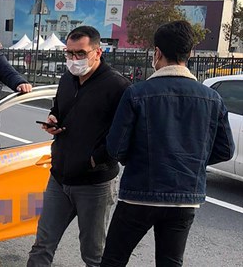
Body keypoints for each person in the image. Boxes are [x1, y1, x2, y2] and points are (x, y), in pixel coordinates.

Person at [101, 21, 235, 267]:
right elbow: (225, 150)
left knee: (113, 260)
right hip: (185, 197)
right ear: (190, 54)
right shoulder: (212, 98)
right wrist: (192, 159)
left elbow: (115, 148)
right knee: (171, 262)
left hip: (139, 195)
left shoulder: (137, 93)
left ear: (157, 53)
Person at [26, 26, 131, 267]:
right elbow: (59, 110)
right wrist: (53, 120)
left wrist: (96, 159)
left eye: (80, 53)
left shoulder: (118, 87)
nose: (74, 60)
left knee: (93, 254)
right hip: (59, 178)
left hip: (94, 184)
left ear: (98, 52)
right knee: (42, 245)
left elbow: (124, 135)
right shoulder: (67, 80)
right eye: (70, 53)